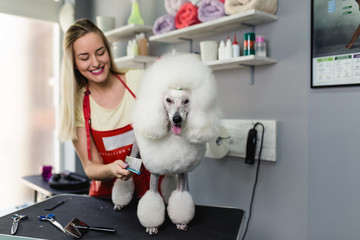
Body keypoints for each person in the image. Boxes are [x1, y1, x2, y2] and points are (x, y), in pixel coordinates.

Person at [58, 18, 149, 198]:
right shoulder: (77, 104)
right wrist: (111, 169)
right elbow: (91, 166)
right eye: (85, 57)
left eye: (100, 52)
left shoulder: (138, 80)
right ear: (74, 63)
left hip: (151, 192)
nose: (96, 62)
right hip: (106, 200)